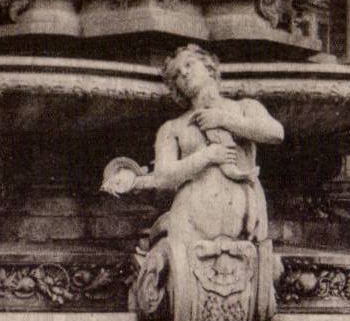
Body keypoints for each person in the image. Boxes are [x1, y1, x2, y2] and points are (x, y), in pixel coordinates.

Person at [101, 43, 283, 242]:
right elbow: (163, 177)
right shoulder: (172, 128)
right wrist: (207, 156)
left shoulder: (245, 107)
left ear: (210, 67)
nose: (184, 73)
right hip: (189, 217)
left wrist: (223, 119)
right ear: (175, 87)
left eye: (189, 64)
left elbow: (275, 133)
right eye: (177, 74)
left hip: (240, 215)